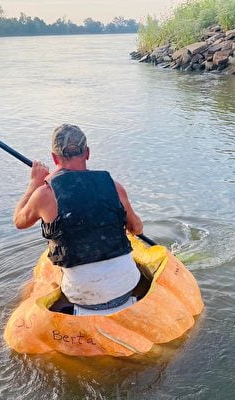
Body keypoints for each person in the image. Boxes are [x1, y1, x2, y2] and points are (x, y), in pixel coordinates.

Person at [13, 123, 143, 314]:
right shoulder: (115, 187)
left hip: (83, 299)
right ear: (87, 153)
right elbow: (137, 228)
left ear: (54, 157)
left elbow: (19, 221)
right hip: (127, 287)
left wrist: (34, 183)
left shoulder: (44, 194)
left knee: (34, 283)